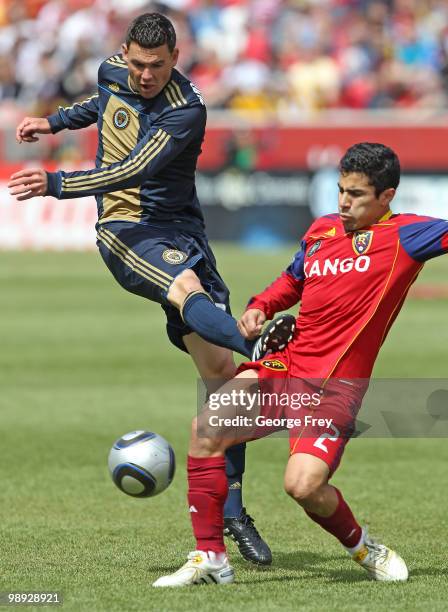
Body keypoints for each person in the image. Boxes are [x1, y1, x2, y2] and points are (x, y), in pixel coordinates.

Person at [7, 12, 296, 566]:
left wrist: (56, 181)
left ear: (176, 58)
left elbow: (135, 167)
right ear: (124, 53)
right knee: (190, 292)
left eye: (156, 66)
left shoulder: (187, 110)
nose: (144, 76)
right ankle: (262, 346)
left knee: (221, 382)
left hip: (183, 231)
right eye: (138, 64)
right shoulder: (111, 71)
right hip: (125, 230)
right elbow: (104, 107)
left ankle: (232, 511)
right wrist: (57, 122)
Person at [152, 142, 448, 587]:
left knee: (303, 487)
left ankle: (364, 546)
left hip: (335, 388)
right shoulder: (322, 230)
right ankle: (210, 558)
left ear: (386, 197)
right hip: (282, 365)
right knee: (206, 429)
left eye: (357, 195)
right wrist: (258, 307)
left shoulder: (408, 235)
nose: (344, 202)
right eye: (341, 190)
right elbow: (292, 281)